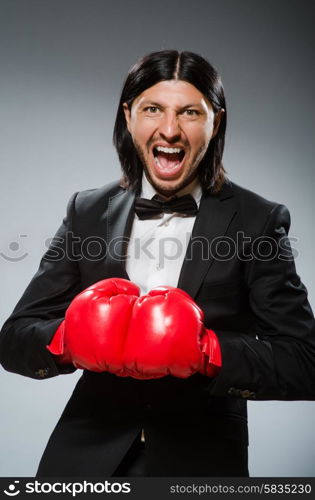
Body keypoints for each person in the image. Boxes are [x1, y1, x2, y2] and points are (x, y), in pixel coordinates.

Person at [1, 50, 315, 477]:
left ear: (215, 122)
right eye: (153, 109)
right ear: (129, 116)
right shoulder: (88, 211)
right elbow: (14, 338)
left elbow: (304, 361)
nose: (170, 129)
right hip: (84, 454)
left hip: (201, 461)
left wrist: (212, 353)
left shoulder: (259, 220)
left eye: (189, 112)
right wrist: (66, 341)